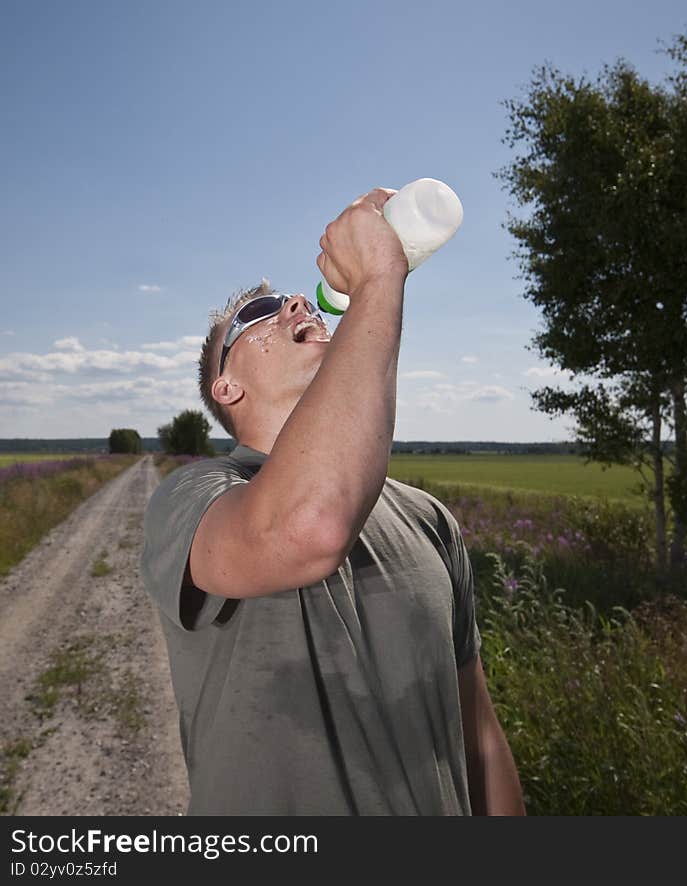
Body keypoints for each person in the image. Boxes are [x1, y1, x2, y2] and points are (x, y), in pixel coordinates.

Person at [142, 188, 525, 815]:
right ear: (226, 387)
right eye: (260, 311)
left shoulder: (430, 521)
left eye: (291, 295)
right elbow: (307, 526)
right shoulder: (192, 499)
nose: (295, 301)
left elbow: (478, 735)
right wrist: (378, 279)